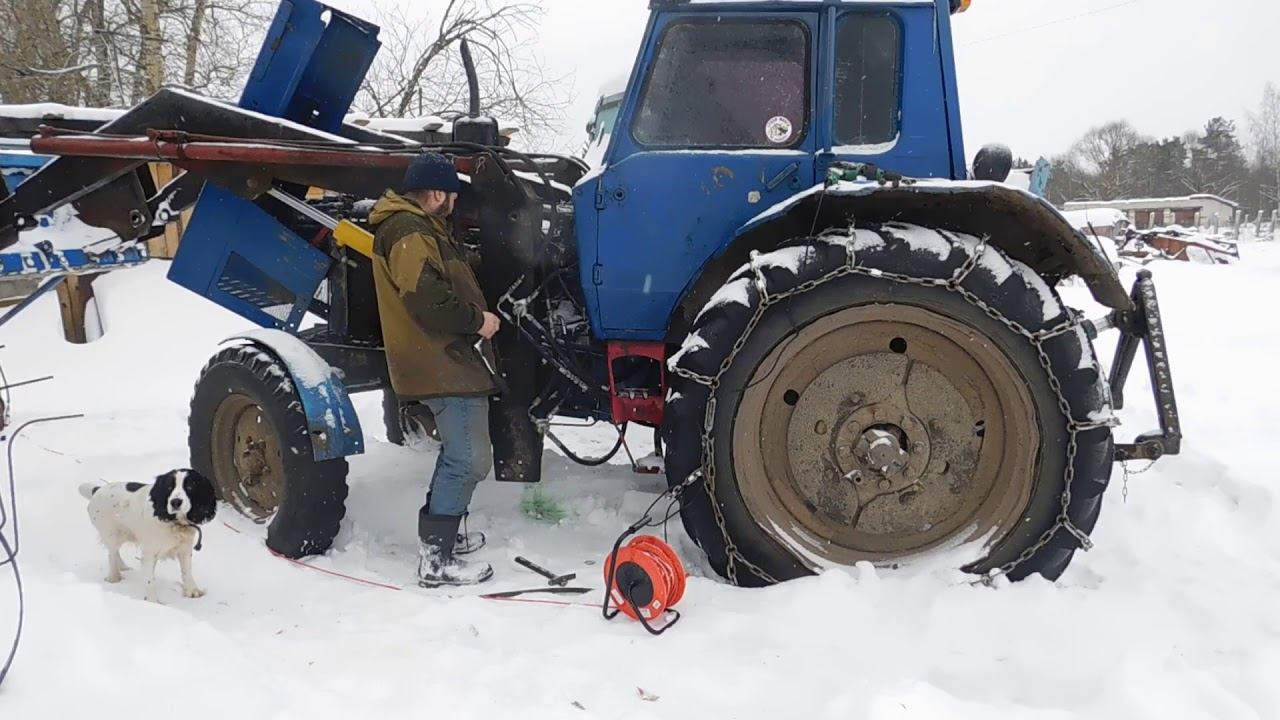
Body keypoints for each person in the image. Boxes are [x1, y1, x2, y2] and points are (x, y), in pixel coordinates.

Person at [368, 152, 502, 587]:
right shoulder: (408, 230)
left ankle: (441, 538)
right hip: (440, 359)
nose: (455, 203)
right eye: (452, 195)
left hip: (445, 357)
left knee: (461, 455)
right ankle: (435, 561)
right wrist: (478, 321)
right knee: (468, 458)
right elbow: (427, 298)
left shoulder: (420, 228)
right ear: (435, 193)